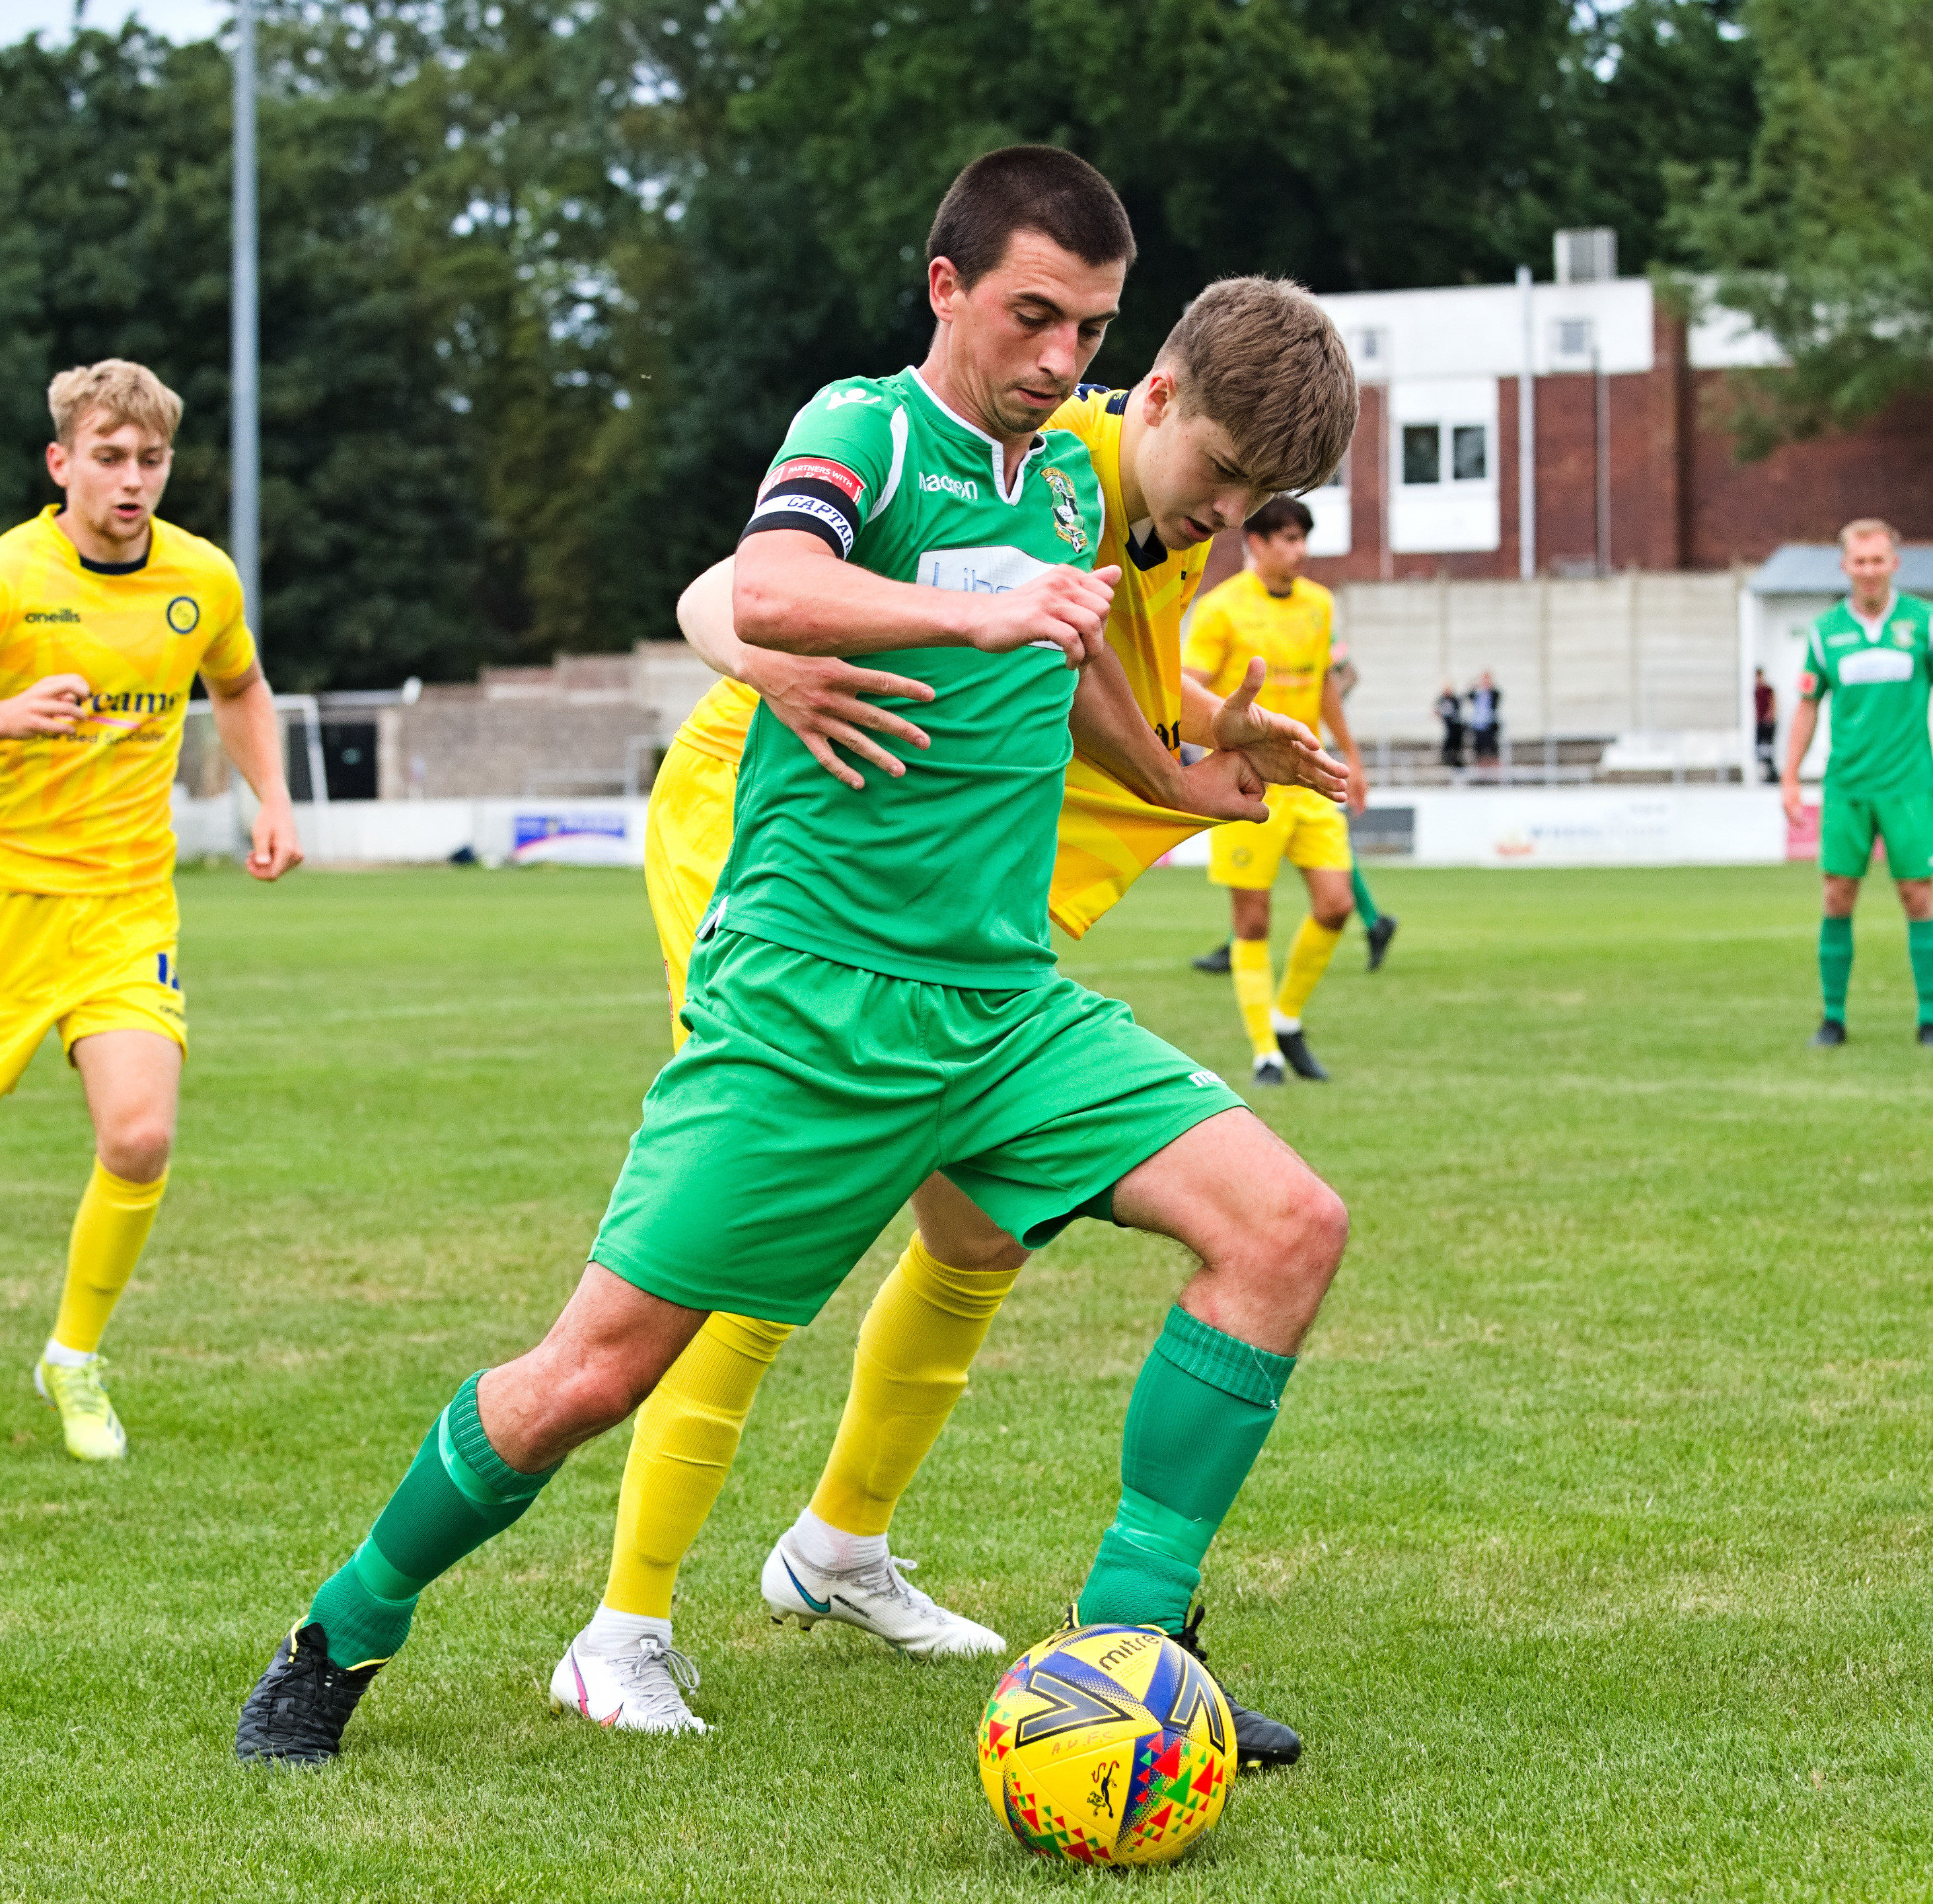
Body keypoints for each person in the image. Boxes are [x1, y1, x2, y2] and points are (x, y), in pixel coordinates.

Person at [236, 147, 1357, 1774]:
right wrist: (928, 624)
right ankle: (342, 1630)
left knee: (1286, 1227)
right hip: (812, 1005)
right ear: (948, 289)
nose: (1061, 359)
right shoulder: (864, 429)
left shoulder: (1060, 482)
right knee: (591, 1374)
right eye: (1035, 317)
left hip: (1001, 1009)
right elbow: (759, 579)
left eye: (1090, 331)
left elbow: (1081, 665)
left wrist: (1190, 751)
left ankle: (1127, 1654)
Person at [550, 275, 1356, 1739]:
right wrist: (756, 652)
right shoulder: (1037, 448)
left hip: (964, 910)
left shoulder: (1143, 525)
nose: (1230, 519)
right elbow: (720, 588)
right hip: (779, 848)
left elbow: (1101, 687)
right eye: (1226, 477)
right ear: (1153, 402)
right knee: (758, 1215)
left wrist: (1215, 733)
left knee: (980, 1229)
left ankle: (835, 1551)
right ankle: (624, 1625)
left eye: (1264, 500)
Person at [1, 361, 301, 1462]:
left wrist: (272, 796)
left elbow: (239, 686)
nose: (133, 481)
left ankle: (73, 1356)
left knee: (139, 1135)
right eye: (111, 458)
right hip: (7, 902)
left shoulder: (201, 580)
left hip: (127, 907)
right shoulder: (11, 574)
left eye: (152, 460)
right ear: (61, 462)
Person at [1185, 497, 1370, 1085]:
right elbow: (1187, 687)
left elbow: (1324, 688)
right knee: (1253, 919)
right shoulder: (1220, 609)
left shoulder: (1320, 604)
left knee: (1337, 906)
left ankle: (1286, 1018)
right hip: (1251, 779)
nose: (1300, 551)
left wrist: (1354, 755)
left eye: (1303, 539)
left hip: (1311, 776)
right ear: (1257, 543)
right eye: (1288, 539)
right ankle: (1265, 1050)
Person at [1779, 518, 1933, 1047]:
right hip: (1847, 787)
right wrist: (1790, 777)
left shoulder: (1924, 623)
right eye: (1859, 561)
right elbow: (1807, 707)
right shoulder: (1825, 633)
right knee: (1838, 894)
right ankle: (1833, 1018)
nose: (1869, 571)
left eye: (1878, 560)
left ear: (1895, 562)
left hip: (1912, 784)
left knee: (1919, 895)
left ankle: (1930, 1018)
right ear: (1845, 566)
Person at [1193, 635, 1397, 978]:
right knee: (1303, 864)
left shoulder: (1312, 615)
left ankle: (1241, 948)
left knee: (1323, 873)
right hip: (1269, 749)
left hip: (1289, 755)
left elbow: (1337, 676)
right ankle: (1374, 921)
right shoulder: (1237, 612)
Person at [1467, 670, 1502, 767]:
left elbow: (1497, 696)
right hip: (1479, 726)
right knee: (1479, 751)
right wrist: (1476, 686)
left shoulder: (1493, 693)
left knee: (1492, 750)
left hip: (1490, 726)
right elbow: (1468, 696)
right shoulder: (1477, 694)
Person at [1753, 669, 1776, 784]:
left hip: (1768, 723)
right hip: (1759, 723)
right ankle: (1764, 775)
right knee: (1758, 750)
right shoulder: (1755, 691)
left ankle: (1772, 775)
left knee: (1769, 750)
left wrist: (1770, 717)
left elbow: (1773, 703)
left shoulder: (1768, 690)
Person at [1436, 680, 1465, 770]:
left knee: (1456, 743)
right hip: (1450, 727)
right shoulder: (1442, 700)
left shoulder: (1455, 699)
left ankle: (1455, 761)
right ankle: (1449, 759)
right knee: (1450, 743)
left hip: (1456, 727)